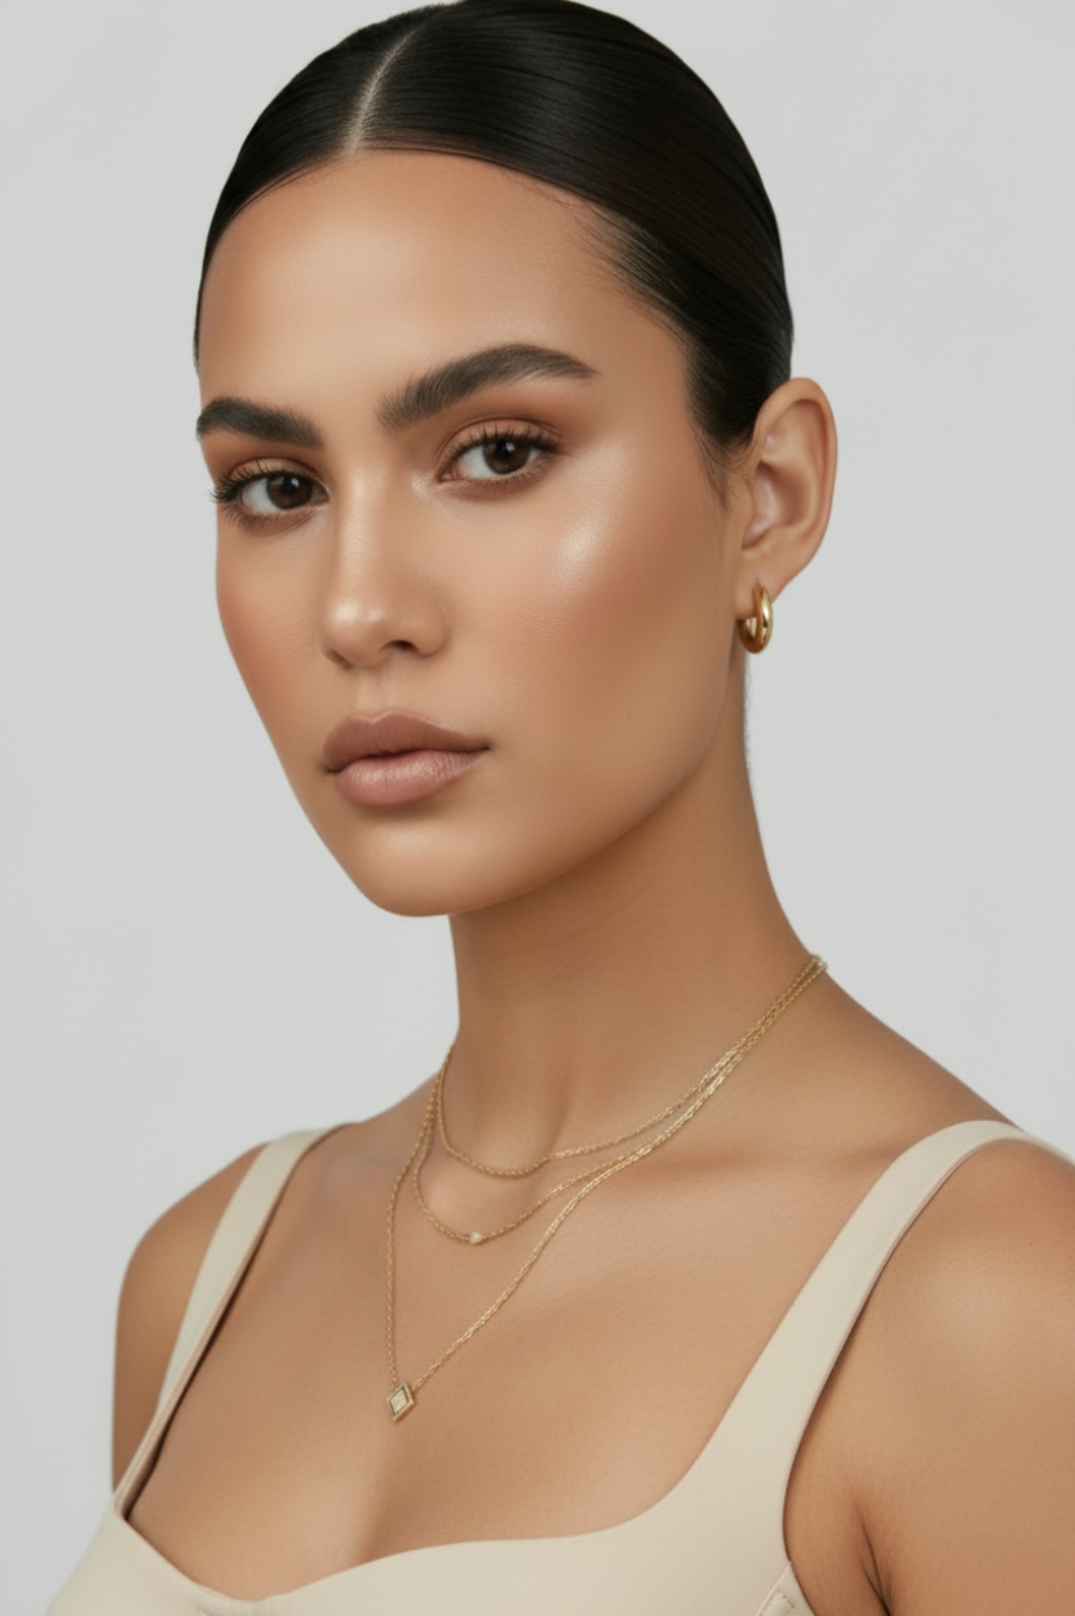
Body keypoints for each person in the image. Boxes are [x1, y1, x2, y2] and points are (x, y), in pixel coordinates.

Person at [49, 1, 1075, 1611]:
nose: (358, 605)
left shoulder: (990, 1300)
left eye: (498, 451)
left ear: (770, 494)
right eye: (277, 487)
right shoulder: (200, 1282)